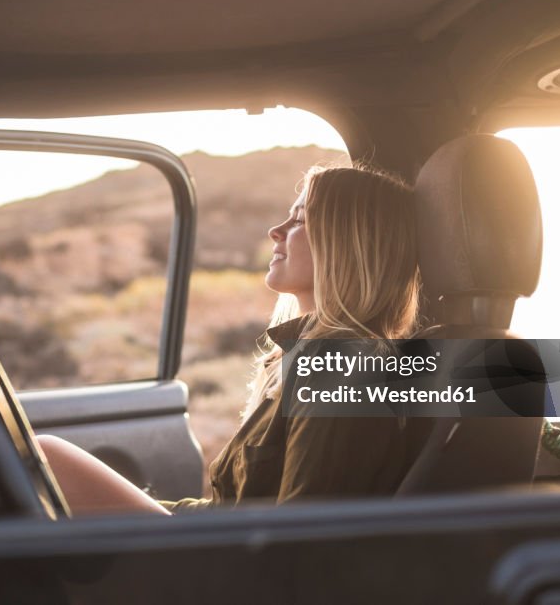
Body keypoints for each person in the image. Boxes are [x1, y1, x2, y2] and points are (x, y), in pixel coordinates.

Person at [37, 163, 424, 515]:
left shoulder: (343, 369)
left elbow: (302, 547)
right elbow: (234, 507)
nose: (276, 231)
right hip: (220, 549)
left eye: (300, 220)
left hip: (229, 574)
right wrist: (149, 511)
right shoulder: (307, 357)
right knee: (46, 466)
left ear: (346, 242)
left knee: (45, 458)